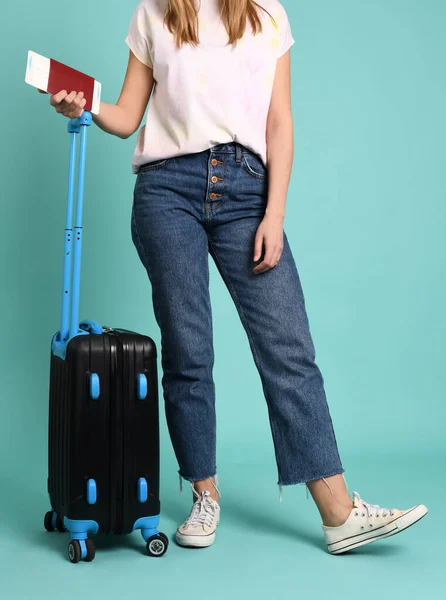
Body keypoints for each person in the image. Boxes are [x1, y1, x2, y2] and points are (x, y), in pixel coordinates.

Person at [42, 0, 428, 554]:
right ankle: (205, 493)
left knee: (288, 346)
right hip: (166, 191)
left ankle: (339, 515)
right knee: (188, 349)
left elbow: (279, 120)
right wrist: (84, 105)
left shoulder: (268, 12)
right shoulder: (156, 10)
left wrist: (275, 213)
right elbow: (129, 116)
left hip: (248, 189)